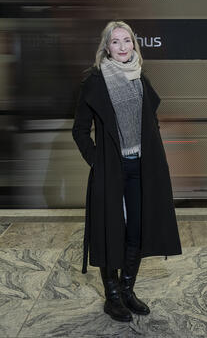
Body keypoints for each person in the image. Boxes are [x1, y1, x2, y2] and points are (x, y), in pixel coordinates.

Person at [72, 20, 182, 322]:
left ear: (134, 44)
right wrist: (98, 160)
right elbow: (80, 130)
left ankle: (127, 289)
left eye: (128, 41)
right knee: (110, 231)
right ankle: (112, 297)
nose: (123, 47)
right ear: (106, 47)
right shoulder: (94, 82)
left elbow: (150, 122)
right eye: (116, 42)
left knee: (136, 230)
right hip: (112, 170)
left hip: (140, 167)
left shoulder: (140, 79)